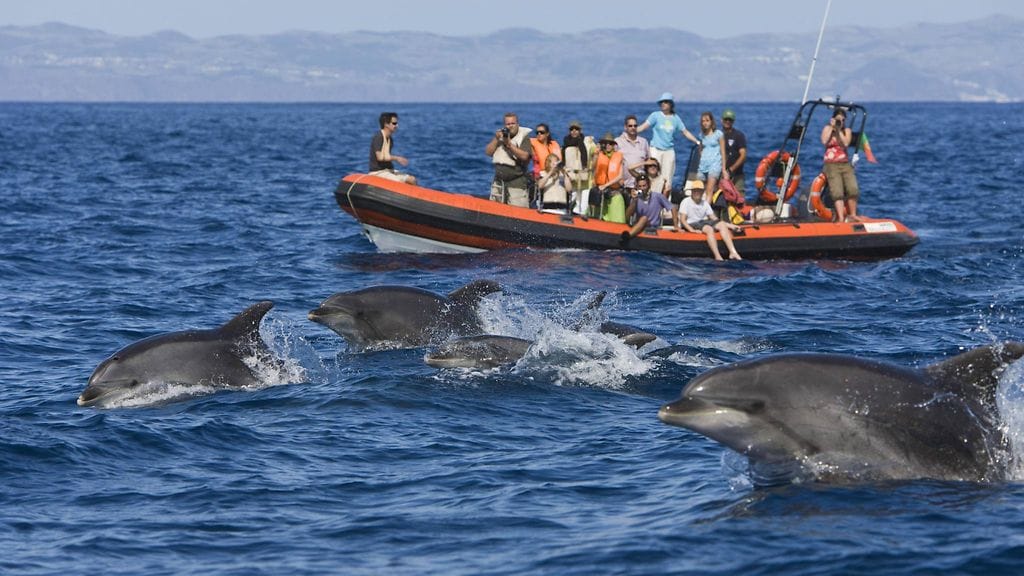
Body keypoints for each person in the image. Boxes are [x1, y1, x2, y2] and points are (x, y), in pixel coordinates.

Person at [636, 92, 700, 190]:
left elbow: (685, 132)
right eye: (661, 102)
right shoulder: (655, 115)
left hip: (669, 151)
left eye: (665, 102)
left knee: (667, 177)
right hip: (655, 150)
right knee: (653, 175)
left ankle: (665, 201)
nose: (663, 104)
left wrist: (697, 142)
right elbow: (643, 127)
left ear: (670, 104)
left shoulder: (676, 118)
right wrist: (631, 131)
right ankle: (650, 197)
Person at [679, 180, 743, 261]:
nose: (697, 193)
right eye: (695, 191)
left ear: (702, 192)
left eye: (699, 191)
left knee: (721, 224)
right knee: (708, 228)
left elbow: (714, 218)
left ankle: (733, 252)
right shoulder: (686, 202)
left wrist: (730, 226)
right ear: (692, 191)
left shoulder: (704, 203)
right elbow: (683, 220)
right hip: (691, 223)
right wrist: (692, 230)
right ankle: (717, 256)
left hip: (701, 222)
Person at [820, 108, 861, 222]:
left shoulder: (846, 131)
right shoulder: (827, 128)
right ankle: (841, 217)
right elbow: (824, 141)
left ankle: (852, 214)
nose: (840, 122)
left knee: (853, 188)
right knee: (837, 191)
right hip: (831, 164)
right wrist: (832, 128)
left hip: (844, 163)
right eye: (838, 120)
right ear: (833, 119)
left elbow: (846, 143)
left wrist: (838, 131)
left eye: (843, 120)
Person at [485, 112, 533, 208]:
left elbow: (525, 156)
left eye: (513, 123)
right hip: (499, 181)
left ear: (517, 124)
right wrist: (496, 139)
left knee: (519, 210)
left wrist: (509, 145)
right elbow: (488, 152)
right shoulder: (501, 136)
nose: (510, 126)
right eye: (508, 124)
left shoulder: (524, 138)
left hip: (516, 182)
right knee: (495, 209)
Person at [623, 172, 677, 244]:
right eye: (640, 186)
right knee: (643, 218)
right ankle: (628, 236)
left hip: (654, 228)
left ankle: (628, 236)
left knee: (644, 218)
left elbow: (672, 208)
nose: (642, 188)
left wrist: (676, 226)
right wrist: (634, 201)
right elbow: (627, 216)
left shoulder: (658, 196)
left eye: (644, 186)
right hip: (639, 225)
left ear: (648, 185)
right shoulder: (636, 198)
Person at [369, 112, 417, 185]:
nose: (397, 125)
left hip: (389, 170)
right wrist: (397, 158)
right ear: (386, 124)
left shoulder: (390, 139)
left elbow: (386, 156)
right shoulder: (379, 137)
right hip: (378, 172)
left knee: (412, 180)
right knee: (399, 183)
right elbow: (380, 157)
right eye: (394, 123)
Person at [593, 132, 626, 223]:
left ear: (613, 145)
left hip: (613, 193)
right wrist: (595, 154)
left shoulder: (618, 156)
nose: (608, 145)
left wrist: (606, 185)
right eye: (605, 143)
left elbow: (620, 176)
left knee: (617, 220)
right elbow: (592, 167)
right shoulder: (599, 155)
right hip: (600, 193)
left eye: (610, 144)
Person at [696, 111, 728, 206]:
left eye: (707, 120)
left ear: (711, 122)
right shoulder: (701, 135)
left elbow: (723, 152)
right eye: (703, 121)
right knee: (698, 188)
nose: (705, 123)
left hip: (715, 165)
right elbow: (700, 149)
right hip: (703, 165)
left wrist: (723, 169)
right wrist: (704, 157)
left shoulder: (718, 134)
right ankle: (698, 209)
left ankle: (705, 213)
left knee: (709, 190)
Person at [562, 120, 592, 218]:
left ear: (580, 130)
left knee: (580, 198)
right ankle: (567, 212)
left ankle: (578, 214)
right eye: (572, 129)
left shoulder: (583, 142)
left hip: (581, 175)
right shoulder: (566, 142)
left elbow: (585, 154)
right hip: (569, 174)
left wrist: (585, 166)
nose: (574, 131)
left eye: (576, 129)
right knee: (570, 196)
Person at [615, 115, 650, 190]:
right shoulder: (618, 141)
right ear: (625, 127)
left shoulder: (644, 142)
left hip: (641, 185)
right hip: (624, 184)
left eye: (635, 126)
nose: (633, 128)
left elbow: (648, 161)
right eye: (630, 126)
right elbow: (614, 163)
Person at [721, 108, 747, 195]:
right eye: (726, 119)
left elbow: (743, 155)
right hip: (721, 174)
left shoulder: (738, 135)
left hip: (737, 175)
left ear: (733, 121)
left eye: (730, 120)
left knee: (739, 199)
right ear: (722, 120)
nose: (727, 121)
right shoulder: (718, 135)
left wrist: (731, 169)